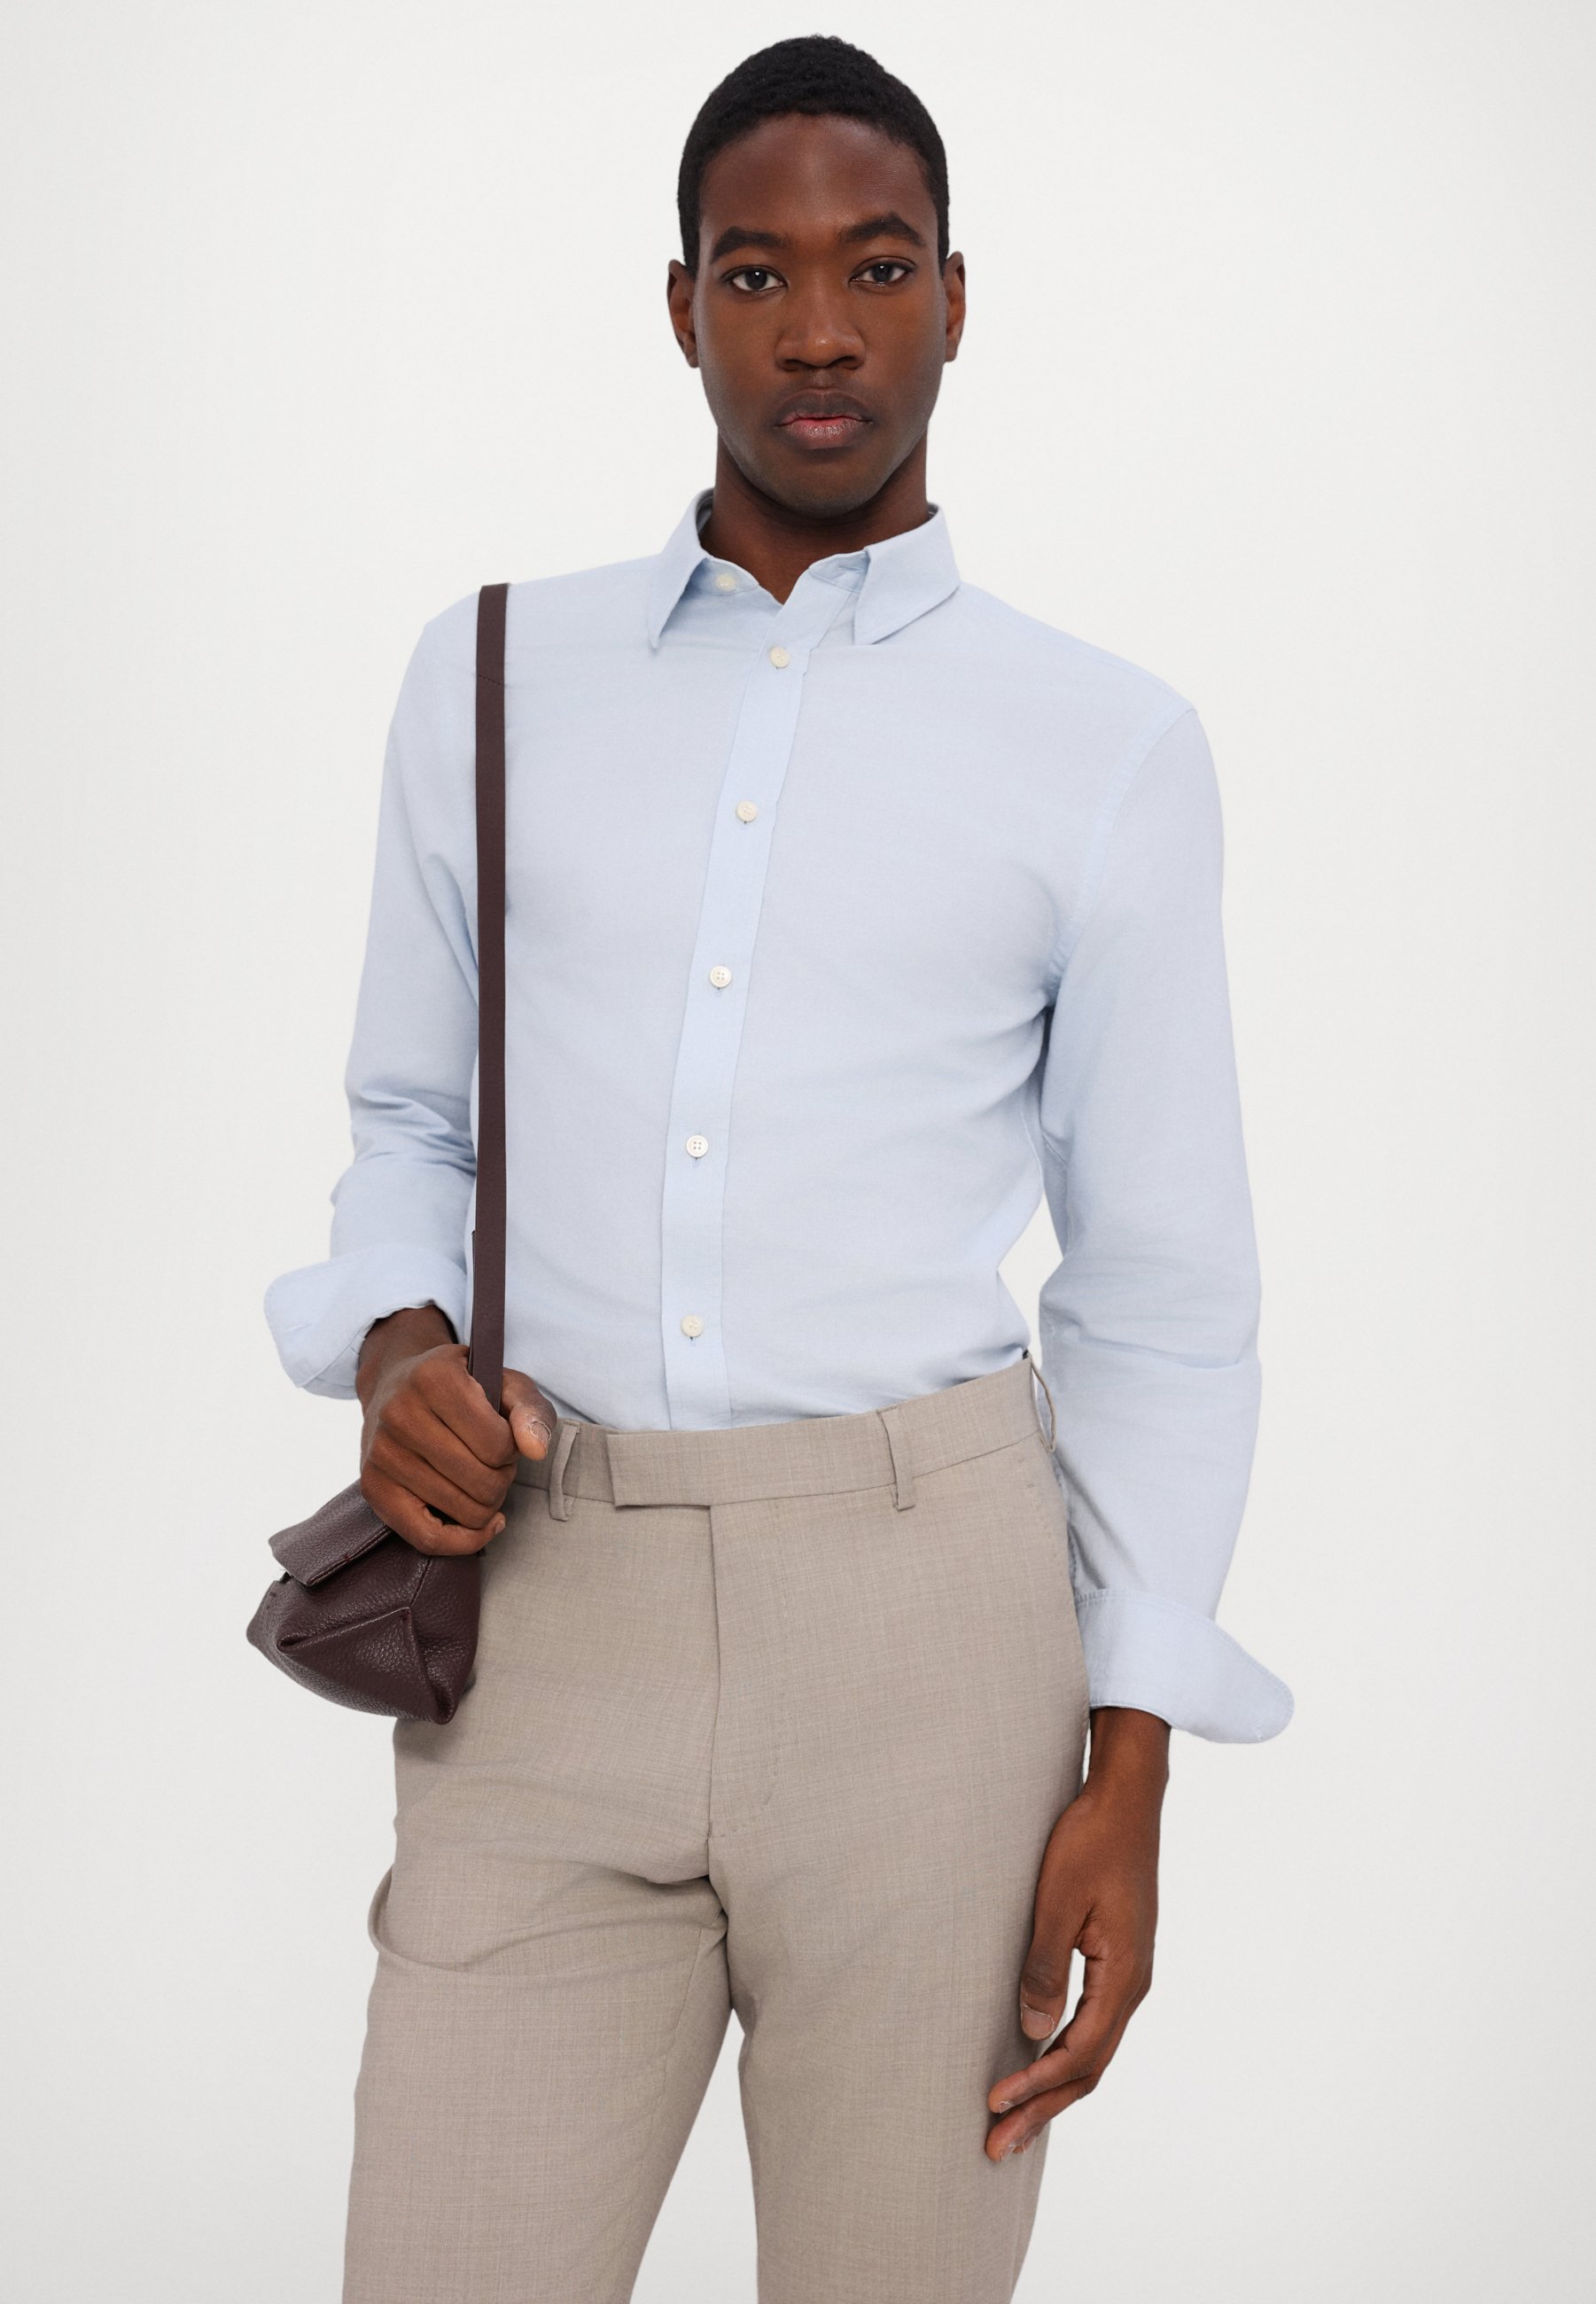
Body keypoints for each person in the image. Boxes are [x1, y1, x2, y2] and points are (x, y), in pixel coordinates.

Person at [265, 34, 1292, 2304]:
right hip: (548, 1610)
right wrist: (401, 1341)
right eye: (757, 273)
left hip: (934, 1636)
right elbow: (411, 1123)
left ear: (955, 298)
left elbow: (1158, 1286)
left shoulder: (1104, 745)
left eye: (875, 266)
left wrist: (1127, 1758)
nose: (817, 328)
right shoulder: (493, 672)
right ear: (681, 306)